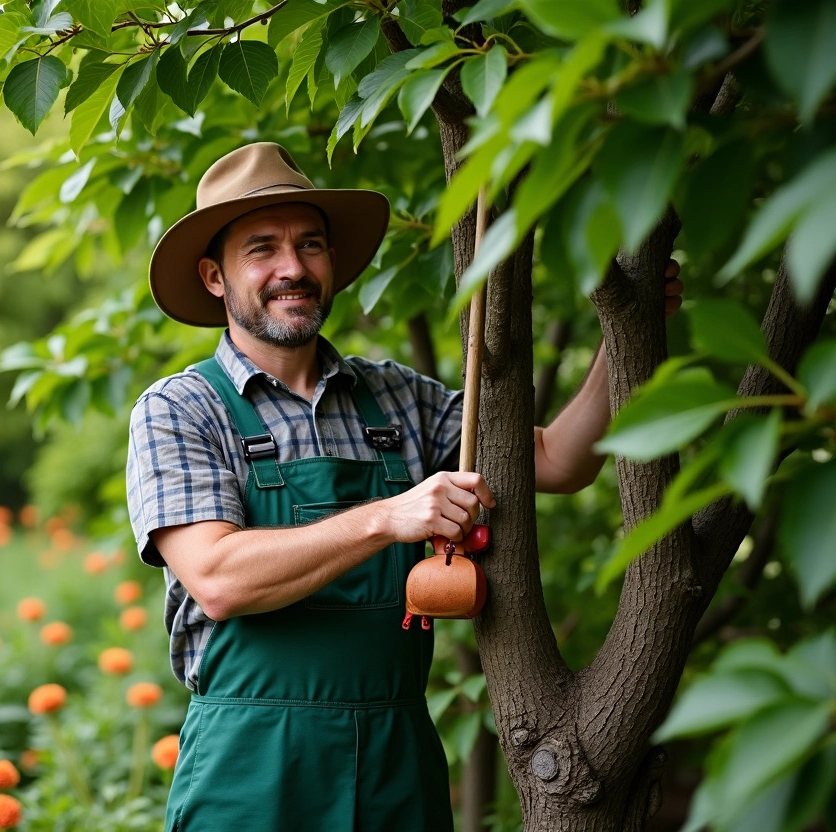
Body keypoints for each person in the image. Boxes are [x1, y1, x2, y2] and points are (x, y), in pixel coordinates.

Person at [126, 142, 682, 831]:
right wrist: (387, 518)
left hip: (397, 759)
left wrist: (626, 336)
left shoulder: (395, 398)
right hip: (252, 769)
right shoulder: (181, 409)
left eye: (311, 245)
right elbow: (218, 578)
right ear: (215, 277)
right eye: (262, 249)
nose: (293, 268)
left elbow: (559, 463)